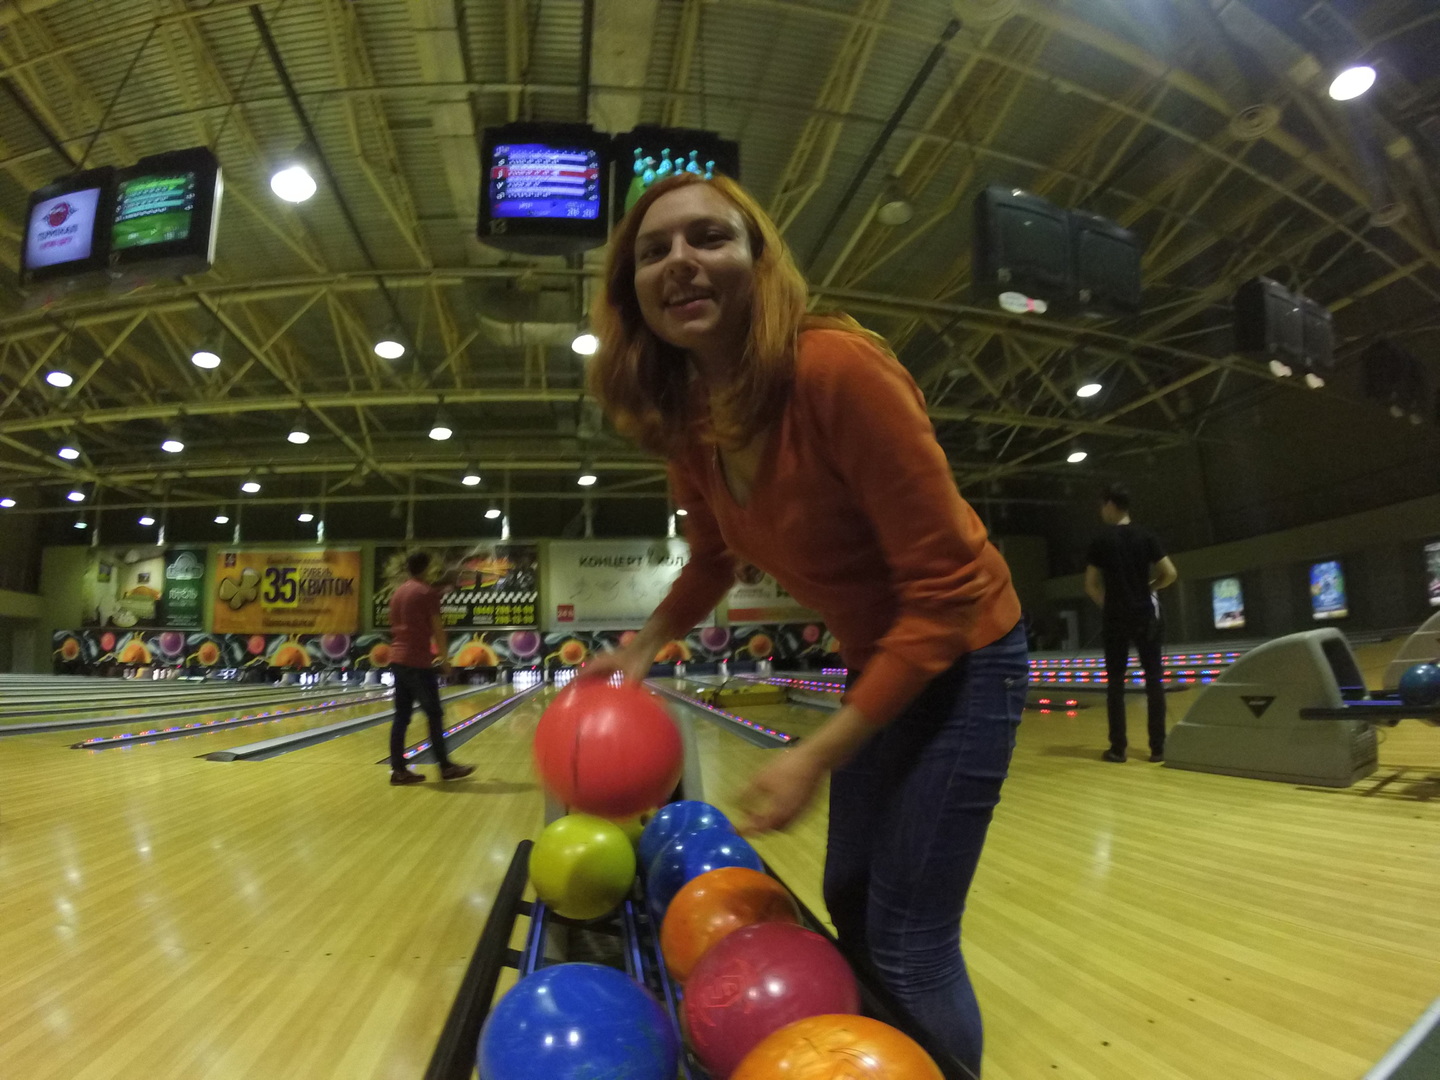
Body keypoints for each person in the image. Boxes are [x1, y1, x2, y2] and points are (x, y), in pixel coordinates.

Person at [582, 170, 1026, 1076]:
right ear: (633, 293)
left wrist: (815, 754)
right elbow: (713, 557)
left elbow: (945, 592)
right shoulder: (692, 419)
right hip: (881, 662)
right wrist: (641, 646)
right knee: (849, 898)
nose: (680, 261)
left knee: (907, 940)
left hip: (969, 657)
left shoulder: (835, 370)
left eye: (710, 237)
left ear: (760, 261)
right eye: (654, 251)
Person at [1083, 484, 1179, 763]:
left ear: (1110, 505)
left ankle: (1118, 749)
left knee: (1115, 683)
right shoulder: (1146, 536)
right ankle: (1158, 748)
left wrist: (1109, 604)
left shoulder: (1100, 541)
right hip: (1145, 615)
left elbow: (1090, 585)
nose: (1101, 511)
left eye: (1102, 506)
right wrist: (1149, 588)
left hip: (1115, 618)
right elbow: (1170, 573)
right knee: (1153, 680)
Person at [387, 551, 474, 785]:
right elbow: (438, 629)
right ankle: (446, 767)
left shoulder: (398, 592)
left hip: (397, 659)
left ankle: (398, 770)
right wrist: (445, 659)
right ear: (426, 567)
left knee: (401, 717)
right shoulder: (427, 592)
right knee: (434, 714)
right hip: (417, 662)